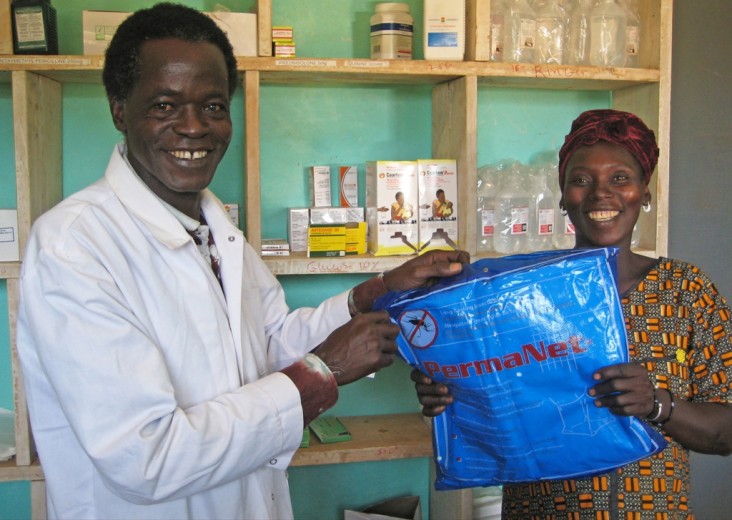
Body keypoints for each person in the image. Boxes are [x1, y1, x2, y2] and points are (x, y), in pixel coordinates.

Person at [15, 4, 469, 520]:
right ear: (120, 109)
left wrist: (376, 291)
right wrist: (322, 373)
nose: (194, 128)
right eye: (165, 106)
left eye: (212, 106)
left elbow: (267, 343)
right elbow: (146, 458)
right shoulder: (74, 246)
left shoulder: (216, 227)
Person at [411, 109, 732, 518]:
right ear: (563, 197)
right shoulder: (518, 293)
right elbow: (492, 401)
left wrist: (657, 404)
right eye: (581, 180)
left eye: (620, 178)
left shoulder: (686, 291)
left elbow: (725, 433)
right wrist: (448, 389)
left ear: (644, 192)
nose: (602, 193)